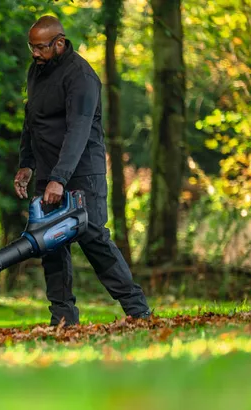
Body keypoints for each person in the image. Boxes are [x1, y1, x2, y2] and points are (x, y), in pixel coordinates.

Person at [14, 15, 152, 326]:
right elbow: (31, 119)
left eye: (40, 47)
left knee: (93, 239)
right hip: (50, 172)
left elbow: (78, 130)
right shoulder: (37, 71)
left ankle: (138, 310)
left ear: (59, 43)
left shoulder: (81, 76)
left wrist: (59, 179)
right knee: (51, 244)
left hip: (82, 172)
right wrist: (27, 163)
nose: (34, 53)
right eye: (31, 47)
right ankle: (63, 318)